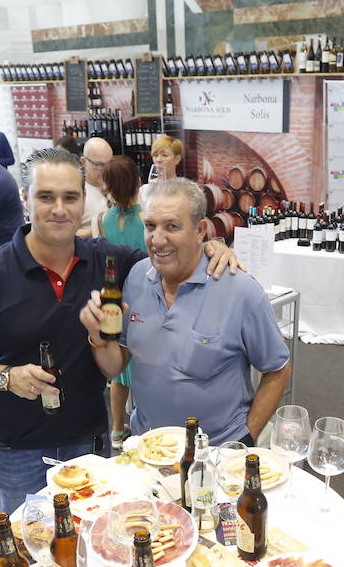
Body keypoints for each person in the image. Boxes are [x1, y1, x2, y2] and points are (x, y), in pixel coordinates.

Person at [0, 148, 241, 514]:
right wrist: (7, 377)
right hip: (21, 451)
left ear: (85, 199)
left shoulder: (107, 260)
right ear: (24, 199)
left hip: (90, 444)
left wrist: (209, 244)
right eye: (46, 197)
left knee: (96, 545)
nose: (59, 209)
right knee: (33, 551)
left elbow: (168, 251)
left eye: (70, 197)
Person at [82, 177, 290, 446]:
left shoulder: (241, 291)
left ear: (201, 230)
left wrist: (246, 438)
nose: (157, 239)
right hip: (148, 449)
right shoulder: (135, 277)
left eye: (172, 226)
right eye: (150, 226)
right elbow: (115, 367)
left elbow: (278, 369)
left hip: (216, 453)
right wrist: (98, 339)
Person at [91, 157, 144, 445]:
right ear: (138, 182)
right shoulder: (148, 219)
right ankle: (145, 424)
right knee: (146, 363)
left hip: (114, 298)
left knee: (117, 371)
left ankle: (116, 431)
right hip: (146, 296)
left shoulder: (102, 220)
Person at [76, 137, 113, 238]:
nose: (106, 170)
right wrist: (100, 229)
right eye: (99, 165)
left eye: (109, 164)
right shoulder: (75, 194)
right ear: (83, 162)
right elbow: (65, 234)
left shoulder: (117, 186)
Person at [137, 134, 183, 208]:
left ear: (177, 159)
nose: (158, 160)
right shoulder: (144, 191)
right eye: (155, 155)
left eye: (165, 155)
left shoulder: (184, 190)